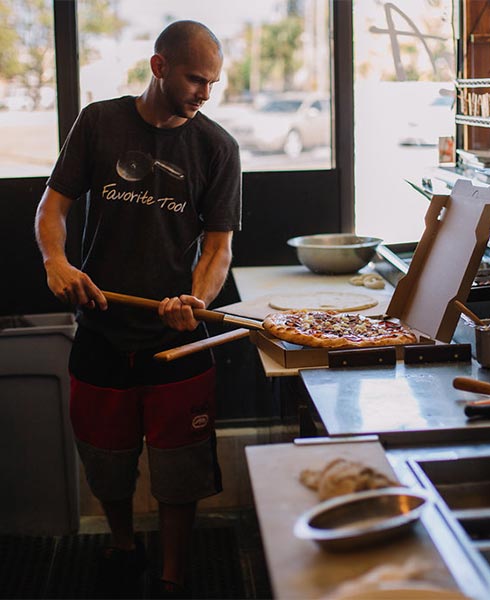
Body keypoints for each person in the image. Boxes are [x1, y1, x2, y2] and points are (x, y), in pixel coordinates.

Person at [35, 20, 241, 598]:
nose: (205, 92)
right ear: (159, 67)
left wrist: (197, 302)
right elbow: (52, 210)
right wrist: (55, 259)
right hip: (101, 333)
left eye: (213, 82)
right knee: (108, 463)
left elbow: (219, 246)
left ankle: (171, 576)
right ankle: (124, 545)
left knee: (180, 474)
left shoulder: (217, 146)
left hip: (177, 340)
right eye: (196, 78)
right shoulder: (99, 122)